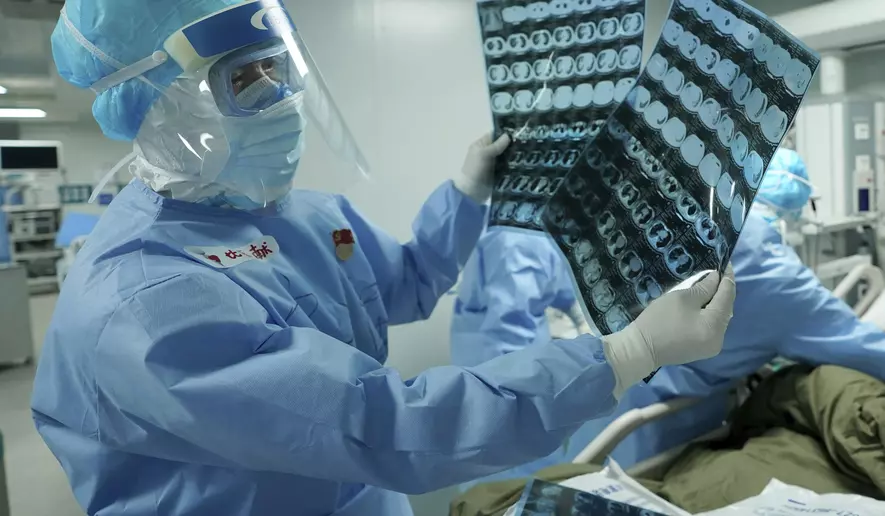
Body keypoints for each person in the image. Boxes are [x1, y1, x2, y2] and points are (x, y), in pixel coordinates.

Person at [30, 1, 735, 515]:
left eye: (285, 72)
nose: (286, 103)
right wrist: (624, 354)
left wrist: (465, 196)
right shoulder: (143, 303)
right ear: (154, 107)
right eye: (248, 82)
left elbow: (402, 283)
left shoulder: (293, 217)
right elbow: (382, 421)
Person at [567, 148, 885, 468]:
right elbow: (856, 347)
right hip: (659, 420)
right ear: (793, 207)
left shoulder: (681, 216)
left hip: (593, 381)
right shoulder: (775, 276)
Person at [450, 229, 592, 489]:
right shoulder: (515, 243)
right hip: (501, 403)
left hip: (502, 391)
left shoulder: (533, 234)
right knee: (506, 490)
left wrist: (583, 320)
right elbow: (510, 348)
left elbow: (560, 287)